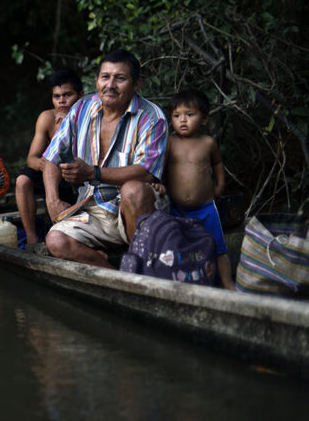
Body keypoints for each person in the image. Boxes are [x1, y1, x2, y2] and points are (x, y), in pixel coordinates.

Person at [42, 49, 169, 268]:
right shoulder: (81, 108)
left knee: (133, 190)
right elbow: (52, 156)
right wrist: (52, 199)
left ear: (136, 84)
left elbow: (146, 172)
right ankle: (120, 278)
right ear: (96, 81)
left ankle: (144, 268)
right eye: (105, 77)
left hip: (133, 208)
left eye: (120, 78)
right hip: (91, 209)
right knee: (56, 240)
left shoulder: (152, 117)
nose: (110, 85)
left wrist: (94, 173)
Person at [162, 89, 235, 289]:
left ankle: (227, 282)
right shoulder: (170, 142)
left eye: (190, 115)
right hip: (177, 209)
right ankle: (187, 282)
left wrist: (220, 185)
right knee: (180, 247)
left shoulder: (207, 143)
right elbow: (160, 167)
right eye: (176, 116)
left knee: (218, 247)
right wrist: (158, 183)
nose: (182, 120)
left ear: (204, 119)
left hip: (206, 208)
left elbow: (218, 164)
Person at [15, 69, 83, 246]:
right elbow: (31, 158)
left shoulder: (89, 117)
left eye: (67, 95)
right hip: (51, 173)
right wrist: (48, 166)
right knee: (22, 180)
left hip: (77, 174)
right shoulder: (47, 118)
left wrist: (68, 128)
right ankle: (31, 239)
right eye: (56, 96)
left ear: (80, 96)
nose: (61, 100)